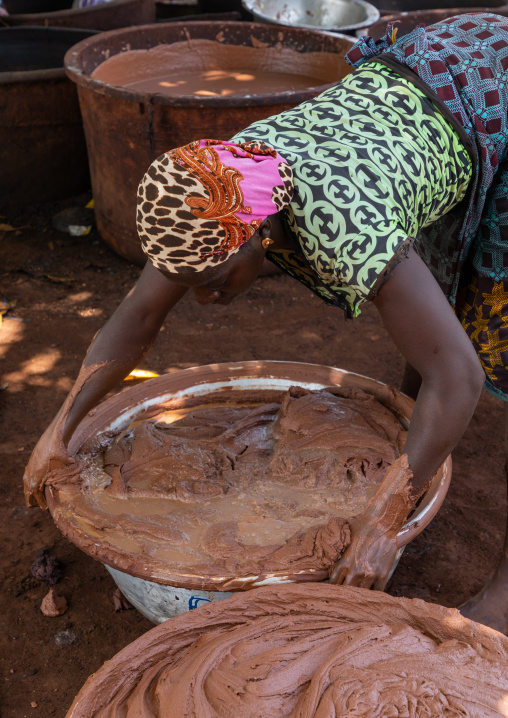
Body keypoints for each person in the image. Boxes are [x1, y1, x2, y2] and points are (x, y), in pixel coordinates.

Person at [24, 13, 508, 634]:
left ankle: (501, 595)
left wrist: (382, 525)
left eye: (213, 282)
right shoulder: (222, 187)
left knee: (481, 338)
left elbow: (461, 376)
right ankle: (410, 439)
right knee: (432, 309)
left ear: (255, 233)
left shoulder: (343, 225)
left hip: (489, 91)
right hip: (430, 86)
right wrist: (60, 430)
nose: (203, 299)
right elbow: (138, 314)